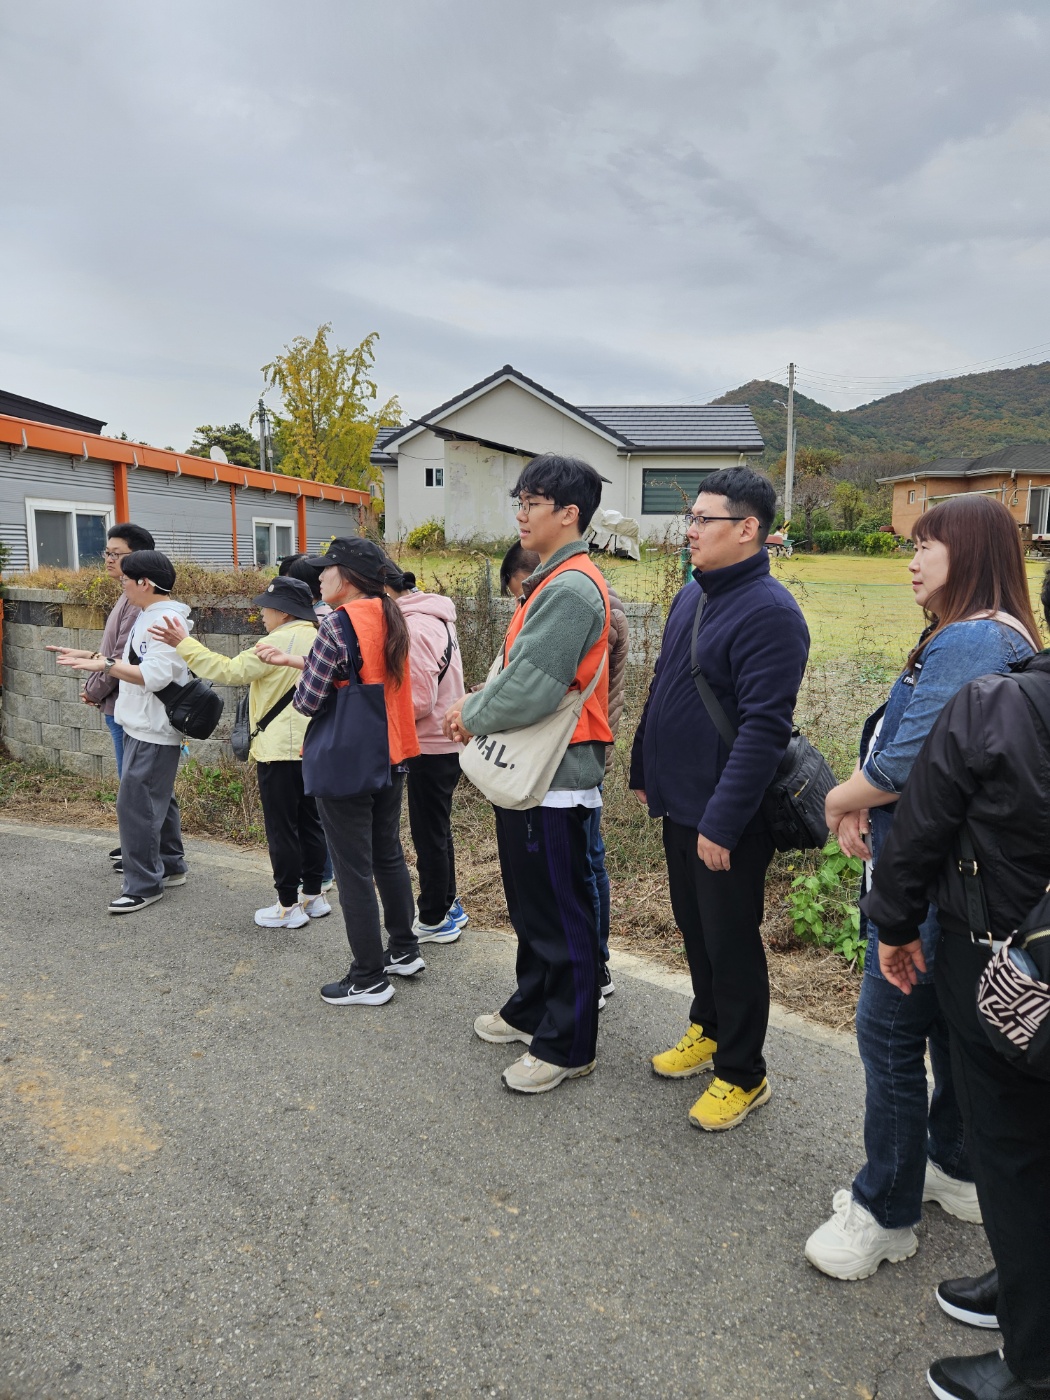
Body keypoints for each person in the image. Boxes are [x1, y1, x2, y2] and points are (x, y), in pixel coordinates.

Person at [804, 495, 1038, 1280]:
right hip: (951, 875)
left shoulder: (973, 639)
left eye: (925, 546)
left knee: (890, 1034)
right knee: (942, 1030)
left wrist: (838, 800)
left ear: (967, 554)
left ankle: (884, 1212)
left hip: (932, 878)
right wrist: (862, 801)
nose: (910, 561)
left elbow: (909, 761)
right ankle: (951, 1164)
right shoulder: (988, 633)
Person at [864, 569, 1050, 1400]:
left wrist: (896, 927)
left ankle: (1035, 1363)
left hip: (1007, 967)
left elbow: (921, 831)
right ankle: (1023, 1286)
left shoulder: (995, 703)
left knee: (1012, 1151)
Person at [629, 466, 810, 1131]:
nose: (691, 530)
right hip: (680, 801)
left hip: (727, 815)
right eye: (692, 518)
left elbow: (763, 729)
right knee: (696, 928)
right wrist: (643, 767)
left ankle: (742, 1072)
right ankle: (708, 1028)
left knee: (731, 941)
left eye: (704, 519)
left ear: (747, 529)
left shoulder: (771, 612)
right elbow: (663, 687)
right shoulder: (694, 595)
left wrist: (724, 823)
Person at [444, 454, 612, 1096]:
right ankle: (532, 1007)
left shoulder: (570, 588)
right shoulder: (554, 579)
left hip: (555, 777)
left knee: (560, 911)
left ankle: (569, 1042)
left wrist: (470, 714)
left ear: (569, 513)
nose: (520, 513)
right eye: (520, 501)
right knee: (533, 904)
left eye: (532, 502)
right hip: (540, 774)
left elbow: (533, 687)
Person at [256, 536, 421, 1007]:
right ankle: (404, 949)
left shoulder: (336, 623)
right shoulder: (390, 614)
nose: (321, 576)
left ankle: (368, 977)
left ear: (347, 578)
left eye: (327, 569)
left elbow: (308, 700)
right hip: (393, 750)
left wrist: (302, 671)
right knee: (388, 855)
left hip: (349, 759)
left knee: (352, 869)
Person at [148, 576, 329, 931]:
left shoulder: (276, 641)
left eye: (266, 608)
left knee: (282, 829)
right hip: (314, 748)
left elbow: (228, 671)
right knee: (311, 823)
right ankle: (314, 895)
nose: (261, 614)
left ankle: (287, 906)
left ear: (283, 612)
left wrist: (184, 643)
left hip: (278, 750)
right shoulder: (320, 636)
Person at [55, 550, 191, 914]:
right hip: (142, 724)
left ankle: (144, 885)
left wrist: (104, 664)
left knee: (136, 806)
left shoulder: (163, 620)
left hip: (152, 727)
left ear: (145, 583)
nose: (122, 585)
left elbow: (153, 675)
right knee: (155, 800)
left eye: (126, 580)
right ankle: (171, 866)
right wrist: (91, 657)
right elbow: (132, 662)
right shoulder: (150, 614)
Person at [45, 521, 156, 867]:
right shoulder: (127, 595)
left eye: (117, 554)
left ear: (138, 558)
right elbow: (108, 654)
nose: (108, 559)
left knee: (135, 786)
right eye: (107, 552)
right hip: (118, 704)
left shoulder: (138, 601)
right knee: (134, 784)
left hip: (127, 704)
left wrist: (93, 691)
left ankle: (144, 854)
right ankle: (137, 846)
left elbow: (119, 658)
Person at [386, 568, 469, 944]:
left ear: (387, 590)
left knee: (428, 834)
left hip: (430, 744)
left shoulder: (414, 627)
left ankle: (434, 918)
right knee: (438, 829)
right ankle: (449, 905)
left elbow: (419, 700)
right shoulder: (435, 616)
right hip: (445, 741)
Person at [278, 553, 335, 891]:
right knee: (314, 808)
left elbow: (313, 684)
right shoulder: (329, 616)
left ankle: (320, 874)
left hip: (310, 720)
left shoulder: (321, 621)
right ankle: (321, 873)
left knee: (312, 809)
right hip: (318, 722)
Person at [583, 581, 629, 999]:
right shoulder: (604, 599)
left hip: (583, 749)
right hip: (596, 743)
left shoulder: (587, 603)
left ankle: (593, 966)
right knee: (591, 857)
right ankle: (597, 965)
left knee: (587, 861)